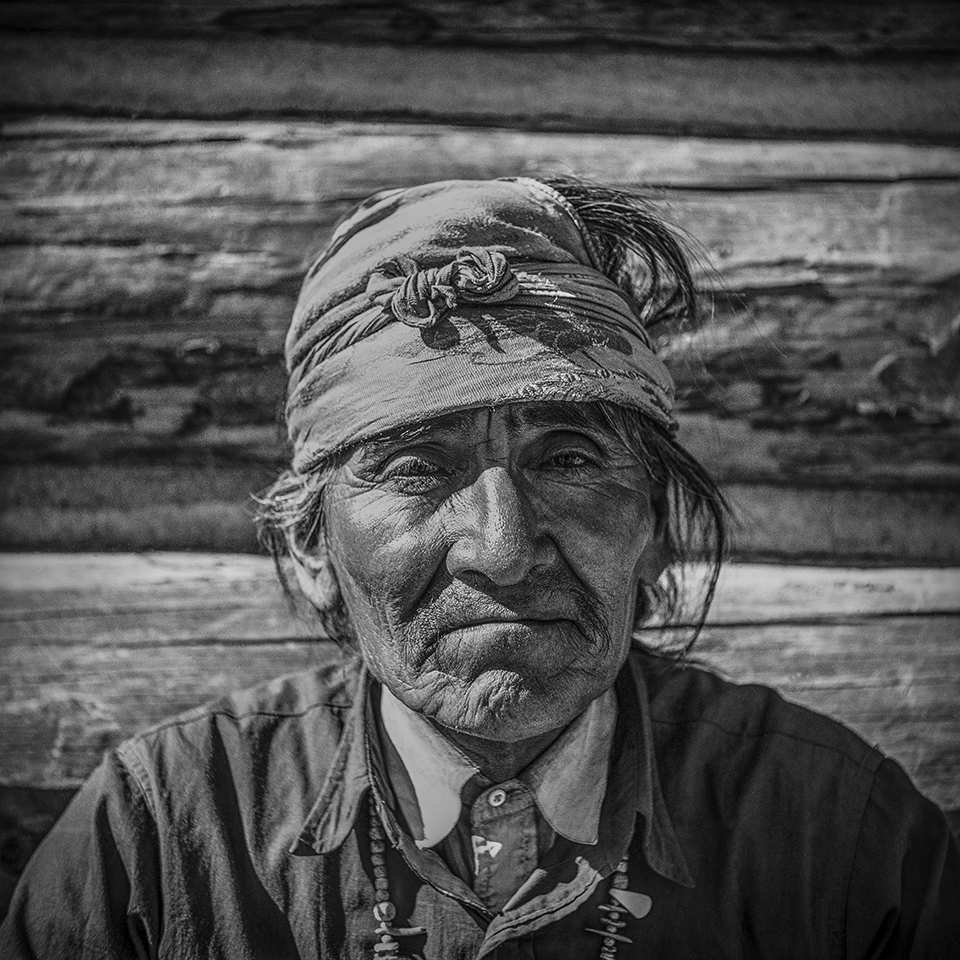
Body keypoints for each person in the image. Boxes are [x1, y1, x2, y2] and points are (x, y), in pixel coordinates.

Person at [2, 176, 957, 959]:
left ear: (653, 532)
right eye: (417, 468)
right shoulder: (162, 835)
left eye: (570, 461)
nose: (501, 549)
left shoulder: (838, 834)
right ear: (313, 548)